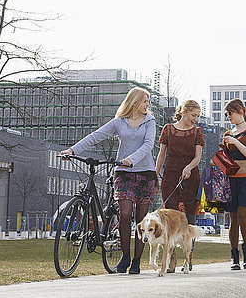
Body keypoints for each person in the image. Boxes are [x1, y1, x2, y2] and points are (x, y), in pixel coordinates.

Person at [60, 87, 158, 274]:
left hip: (145, 173)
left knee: (141, 220)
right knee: (125, 213)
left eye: (148, 101)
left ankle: (137, 261)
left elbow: (148, 145)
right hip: (123, 172)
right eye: (145, 101)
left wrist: (132, 159)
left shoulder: (149, 121)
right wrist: (72, 150)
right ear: (135, 102)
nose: (148, 105)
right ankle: (125, 257)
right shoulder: (119, 122)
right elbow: (95, 136)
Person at [155, 100, 204, 272]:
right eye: (193, 115)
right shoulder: (168, 129)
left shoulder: (197, 132)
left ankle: (188, 258)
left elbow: (197, 157)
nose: (195, 119)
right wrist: (155, 175)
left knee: (189, 218)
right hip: (170, 174)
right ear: (184, 112)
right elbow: (161, 155)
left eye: (198, 116)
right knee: (170, 218)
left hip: (191, 175)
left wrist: (189, 168)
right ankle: (171, 260)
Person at [222, 98, 246, 270]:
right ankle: (234, 257)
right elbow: (225, 158)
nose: (228, 116)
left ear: (240, 111)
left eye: (230, 113)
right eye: (226, 114)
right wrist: (217, 161)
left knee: (242, 214)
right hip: (232, 179)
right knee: (232, 218)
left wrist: (235, 142)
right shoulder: (227, 135)